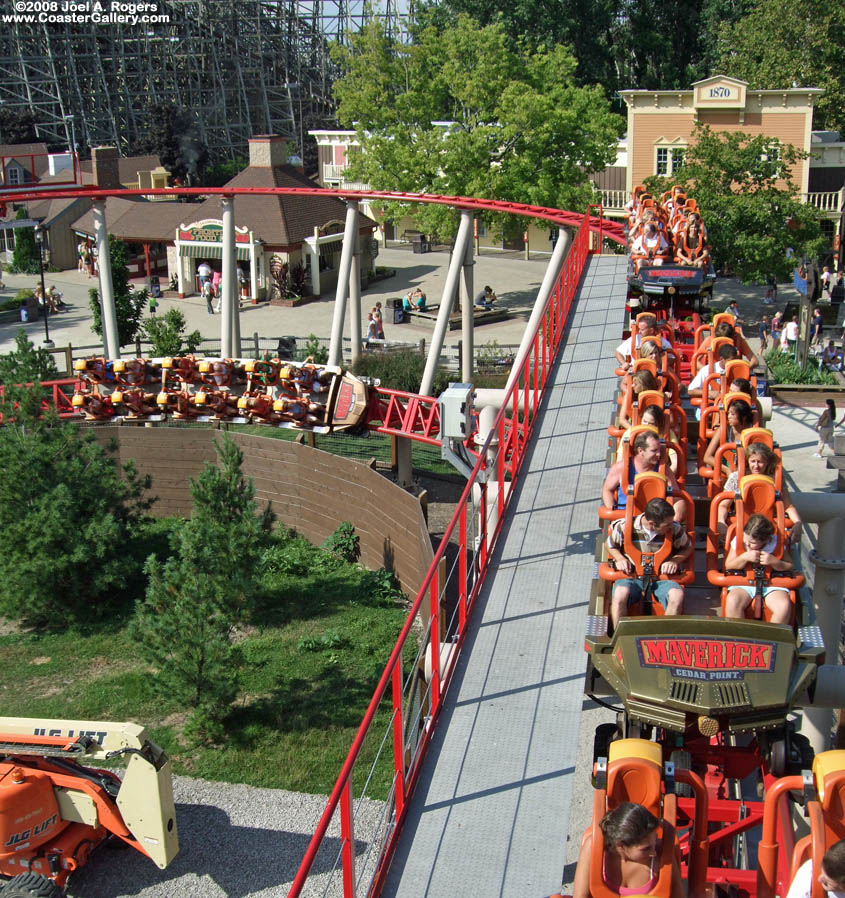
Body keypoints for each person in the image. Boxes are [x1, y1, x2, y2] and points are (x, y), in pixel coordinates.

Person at [606, 498, 692, 625]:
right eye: (666, 525)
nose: (670, 527)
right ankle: (619, 636)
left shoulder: (674, 528)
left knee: (677, 595)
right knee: (620, 593)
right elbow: (610, 545)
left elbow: (687, 548)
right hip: (632, 577)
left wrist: (674, 561)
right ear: (652, 524)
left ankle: (665, 637)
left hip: (661, 579)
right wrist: (620, 558)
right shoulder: (624, 527)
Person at [573, 802, 683, 898]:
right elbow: (580, 896)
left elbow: (678, 896)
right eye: (645, 849)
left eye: (654, 842)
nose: (653, 852)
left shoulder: (661, 854)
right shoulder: (593, 848)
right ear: (620, 845)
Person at [602, 431, 687, 524]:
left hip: (656, 521)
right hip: (627, 517)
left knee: (682, 503)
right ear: (640, 451)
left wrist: (672, 523)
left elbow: (677, 497)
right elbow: (607, 490)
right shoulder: (621, 467)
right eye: (654, 451)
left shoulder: (664, 470)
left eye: (659, 450)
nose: (659, 454)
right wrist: (612, 510)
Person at [724, 513, 795, 623]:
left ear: (766, 540)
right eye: (745, 539)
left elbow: (790, 566)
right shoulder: (738, 541)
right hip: (744, 583)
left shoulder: (776, 544)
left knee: (783, 606)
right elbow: (729, 565)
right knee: (733, 601)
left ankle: (773, 638)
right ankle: (738, 636)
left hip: (771, 584)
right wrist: (744, 557)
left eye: (752, 542)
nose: (747, 543)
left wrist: (774, 562)